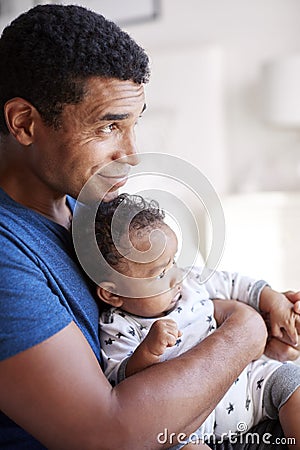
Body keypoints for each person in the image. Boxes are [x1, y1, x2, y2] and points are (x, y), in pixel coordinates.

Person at [0, 4, 299, 449]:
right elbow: (109, 437)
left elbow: (174, 298)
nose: (132, 154)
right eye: (108, 126)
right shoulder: (8, 253)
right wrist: (247, 329)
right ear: (24, 122)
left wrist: (243, 334)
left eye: (133, 123)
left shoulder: (93, 216)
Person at [96, 193, 300, 449]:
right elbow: (120, 381)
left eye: (173, 261)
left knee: (292, 383)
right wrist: (146, 352)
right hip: (187, 423)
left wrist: (275, 301)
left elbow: (236, 284)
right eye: (160, 273)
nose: (175, 277)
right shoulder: (117, 325)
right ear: (113, 293)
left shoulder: (190, 281)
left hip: (248, 385)